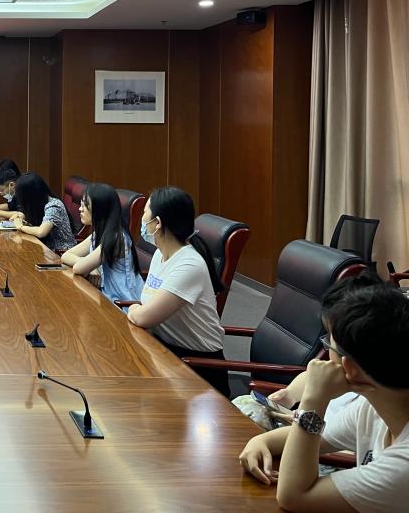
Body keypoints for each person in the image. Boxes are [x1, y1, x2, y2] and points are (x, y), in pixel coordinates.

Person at [239, 272, 409, 512]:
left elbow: (293, 496)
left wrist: (313, 399)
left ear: (349, 367)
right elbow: (319, 437)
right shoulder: (373, 406)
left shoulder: (402, 467)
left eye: (329, 344)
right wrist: (261, 440)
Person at [126, 186, 228, 395]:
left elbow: (144, 317)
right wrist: (138, 311)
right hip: (165, 352)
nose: (142, 219)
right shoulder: (160, 254)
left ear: (157, 222)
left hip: (199, 370)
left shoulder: (189, 265)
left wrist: (134, 309)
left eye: (145, 212)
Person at [60, 182, 144, 303]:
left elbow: (78, 268)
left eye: (85, 205)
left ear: (99, 209)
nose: (80, 209)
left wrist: (87, 265)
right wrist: (91, 268)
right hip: (107, 297)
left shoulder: (115, 238)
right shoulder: (100, 233)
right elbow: (66, 256)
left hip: (124, 304)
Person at [6, 172, 77, 252]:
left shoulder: (54, 205)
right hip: (45, 248)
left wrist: (21, 227)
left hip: (61, 252)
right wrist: (25, 223)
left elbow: (41, 232)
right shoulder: (39, 203)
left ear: (29, 195)